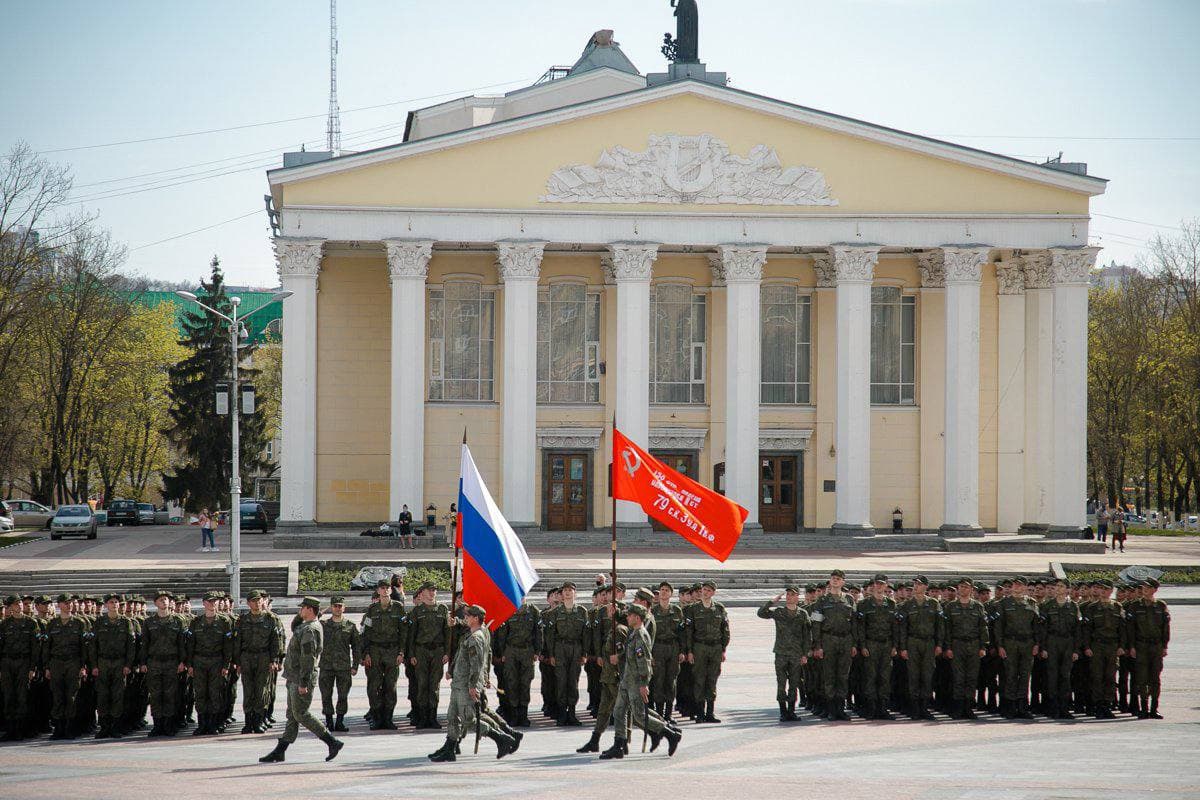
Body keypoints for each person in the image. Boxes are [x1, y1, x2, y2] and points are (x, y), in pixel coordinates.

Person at [428, 605, 519, 762]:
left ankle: (501, 738)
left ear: (476, 618)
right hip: (458, 683)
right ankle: (449, 748)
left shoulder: (476, 638)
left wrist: (472, 686)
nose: (466, 618)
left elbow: (476, 665)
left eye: (468, 616)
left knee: (469, 720)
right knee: (452, 717)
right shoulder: (471, 635)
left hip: (466, 686)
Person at [259, 597, 344, 763]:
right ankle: (280, 750)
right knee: (292, 715)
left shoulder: (311, 630)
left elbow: (308, 658)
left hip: (301, 677)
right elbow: (294, 624)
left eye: (303, 608)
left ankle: (332, 742)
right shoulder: (306, 626)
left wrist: (304, 682)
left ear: (310, 610)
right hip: (295, 676)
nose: (300, 610)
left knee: (301, 714)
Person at [598, 605, 681, 759]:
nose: (627, 618)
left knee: (639, 716)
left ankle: (670, 734)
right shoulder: (633, 633)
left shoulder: (641, 636)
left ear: (637, 617)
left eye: (629, 616)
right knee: (618, 712)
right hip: (626, 680)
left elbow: (644, 662)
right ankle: (619, 745)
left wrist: (644, 683)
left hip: (636, 681)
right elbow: (630, 654)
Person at [234, 589, 285, 734]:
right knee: (248, 690)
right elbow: (237, 642)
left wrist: (274, 659)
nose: (257, 603)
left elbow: (276, 641)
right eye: (253, 601)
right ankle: (248, 722)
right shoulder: (242, 620)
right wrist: (237, 662)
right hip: (247, 657)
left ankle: (258, 721)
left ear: (263, 601)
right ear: (248, 603)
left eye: (259, 600)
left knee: (262, 690)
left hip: (264, 657)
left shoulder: (270, 619)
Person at [757, 585, 811, 721]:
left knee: (794, 683)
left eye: (793, 595)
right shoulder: (779, 612)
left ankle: (791, 710)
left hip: (796, 654)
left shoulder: (802, 614)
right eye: (787, 595)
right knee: (781, 683)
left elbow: (807, 636)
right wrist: (772, 602)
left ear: (798, 597)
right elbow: (761, 613)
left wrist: (805, 654)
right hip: (781, 653)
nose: (790, 597)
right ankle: (783, 711)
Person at [361, 579, 406, 729]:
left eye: (387, 588)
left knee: (390, 686)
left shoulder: (399, 608)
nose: (385, 590)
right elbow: (365, 633)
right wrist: (365, 653)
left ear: (391, 590)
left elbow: (404, 632)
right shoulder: (372, 609)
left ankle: (388, 718)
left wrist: (401, 652)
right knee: (374, 686)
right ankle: (377, 717)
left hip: (392, 651)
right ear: (378, 591)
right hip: (375, 651)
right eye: (382, 588)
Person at [811, 569, 855, 721]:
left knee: (843, 675)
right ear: (830, 581)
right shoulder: (822, 601)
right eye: (833, 578)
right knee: (829, 675)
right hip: (828, 640)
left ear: (843, 582)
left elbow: (854, 622)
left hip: (845, 640)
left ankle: (840, 709)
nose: (835, 581)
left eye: (838, 579)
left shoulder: (849, 599)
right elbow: (816, 624)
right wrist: (817, 646)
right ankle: (831, 710)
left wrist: (854, 643)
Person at [140, 590, 186, 736]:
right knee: (155, 695)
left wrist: (182, 662)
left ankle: (168, 725)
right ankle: (157, 725)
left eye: (166, 599)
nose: (164, 601)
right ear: (155, 603)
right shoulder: (149, 622)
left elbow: (181, 644)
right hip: (154, 662)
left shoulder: (177, 621)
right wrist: (143, 662)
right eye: (161, 599)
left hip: (171, 662)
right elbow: (145, 644)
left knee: (170, 694)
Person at [683, 579, 730, 723]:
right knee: (699, 679)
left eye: (709, 590)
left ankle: (710, 712)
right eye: (704, 590)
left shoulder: (719, 608)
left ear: (713, 592)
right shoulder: (693, 608)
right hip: (699, 647)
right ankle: (700, 713)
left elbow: (725, 629)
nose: (705, 592)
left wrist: (723, 649)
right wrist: (689, 651)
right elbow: (689, 631)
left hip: (715, 648)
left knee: (712, 679)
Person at [896, 575, 942, 720]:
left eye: (920, 584)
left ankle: (925, 708)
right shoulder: (907, 605)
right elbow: (903, 628)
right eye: (915, 584)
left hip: (929, 643)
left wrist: (939, 644)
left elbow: (939, 626)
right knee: (913, 676)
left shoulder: (934, 604)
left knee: (927, 675)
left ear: (926, 587)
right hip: (913, 642)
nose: (916, 586)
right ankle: (915, 708)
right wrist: (903, 647)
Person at [91, 593, 136, 739]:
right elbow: (93, 646)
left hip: (119, 662)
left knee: (118, 695)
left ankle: (116, 727)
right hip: (103, 662)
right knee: (103, 695)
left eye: (117, 602)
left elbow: (131, 645)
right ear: (106, 605)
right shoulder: (99, 622)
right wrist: (94, 665)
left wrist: (128, 664)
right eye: (111, 602)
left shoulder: (126, 622)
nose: (114, 604)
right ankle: (104, 727)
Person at [405, 582, 449, 729]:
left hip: (437, 651)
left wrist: (447, 653)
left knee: (434, 685)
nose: (432, 593)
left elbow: (447, 633)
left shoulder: (443, 609)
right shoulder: (417, 611)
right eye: (429, 590)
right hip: (421, 651)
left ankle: (433, 717)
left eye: (434, 590)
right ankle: (423, 717)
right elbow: (411, 635)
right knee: (422, 684)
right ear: (422, 593)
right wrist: (411, 654)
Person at [545, 580, 587, 726]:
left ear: (575, 593)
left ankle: (573, 713)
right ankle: (562, 714)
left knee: (573, 681)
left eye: (570, 590)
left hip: (576, 648)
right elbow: (550, 635)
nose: (568, 592)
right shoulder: (555, 612)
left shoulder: (582, 611)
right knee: (561, 681)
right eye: (565, 590)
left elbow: (585, 634)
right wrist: (551, 654)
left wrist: (585, 653)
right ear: (562, 594)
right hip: (560, 649)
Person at [1038, 578, 1081, 719]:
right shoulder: (1047, 605)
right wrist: (1043, 647)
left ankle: (1064, 708)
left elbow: (1077, 630)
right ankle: (1053, 708)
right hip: (1052, 642)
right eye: (1057, 586)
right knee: (1052, 676)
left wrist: (1076, 650)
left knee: (1065, 676)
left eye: (1061, 586)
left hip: (1068, 642)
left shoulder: (1073, 606)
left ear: (1068, 589)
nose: (1058, 588)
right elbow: (1043, 628)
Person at [1127, 578, 1170, 719]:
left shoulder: (1160, 606)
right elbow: (1131, 629)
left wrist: (1165, 646)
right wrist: (1132, 646)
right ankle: (1143, 708)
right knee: (1142, 678)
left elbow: (1165, 628)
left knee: (1155, 679)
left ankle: (1154, 708)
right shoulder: (1135, 606)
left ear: (1154, 589)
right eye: (1143, 587)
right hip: (1141, 646)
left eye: (1148, 587)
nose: (1144, 590)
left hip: (1156, 646)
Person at [319, 596, 360, 732]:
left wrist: (355, 666)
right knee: (326, 694)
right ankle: (329, 721)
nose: (337, 608)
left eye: (340, 606)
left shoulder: (350, 626)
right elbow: (306, 623)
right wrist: (319, 613)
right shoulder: (323, 625)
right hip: (326, 666)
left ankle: (340, 721)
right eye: (335, 606)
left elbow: (356, 647)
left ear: (344, 607)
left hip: (343, 666)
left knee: (343, 695)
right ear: (331, 607)